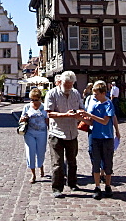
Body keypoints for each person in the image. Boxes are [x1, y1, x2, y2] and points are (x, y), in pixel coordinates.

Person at [45, 70, 83, 198]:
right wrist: (66, 114)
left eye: (71, 85)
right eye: (66, 84)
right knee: (58, 163)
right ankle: (57, 188)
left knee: (72, 161)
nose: (68, 87)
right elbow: (49, 113)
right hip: (56, 133)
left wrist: (79, 113)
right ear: (60, 82)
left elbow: (82, 108)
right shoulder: (52, 94)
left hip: (72, 132)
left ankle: (72, 183)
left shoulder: (76, 93)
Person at [80, 81, 117, 200]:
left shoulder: (108, 104)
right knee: (95, 162)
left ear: (103, 93)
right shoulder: (94, 104)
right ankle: (97, 187)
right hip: (95, 136)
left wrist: (90, 116)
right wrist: (81, 118)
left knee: (107, 162)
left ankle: (107, 185)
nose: (94, 96)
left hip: (107, 137)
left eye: (96, 94)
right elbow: (91, 122)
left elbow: (105, 121)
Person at [19, 88, 49, 183]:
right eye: (32, 99)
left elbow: (48, 121)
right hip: (29, 133)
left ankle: (41, 166)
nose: (34, 102)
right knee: (30, 152)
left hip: (42, 133)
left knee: (41, 152)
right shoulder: (27, 107)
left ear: (40, 99)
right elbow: (20, 120)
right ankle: (33, 174)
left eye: (36, 100)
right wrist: (23, 119)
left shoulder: (45, 108)